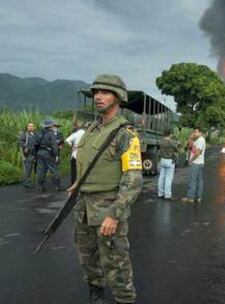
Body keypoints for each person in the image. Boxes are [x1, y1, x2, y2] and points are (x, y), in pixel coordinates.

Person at [67, 74, 143, 304]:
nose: (98, 97)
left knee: (116, 263)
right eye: (96, 92)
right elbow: (88, 162)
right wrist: (78, 184)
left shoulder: (125, 134)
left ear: (118, 97)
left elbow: (133, 180)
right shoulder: (91, 129)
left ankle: (125, 300)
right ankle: (96, 296)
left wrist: (114, 214)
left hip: (108, 209)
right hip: (83, 208)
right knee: (87, 259)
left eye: (105, 92)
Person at [35, 119, 61, 192]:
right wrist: (56, 155)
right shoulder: (51, 134)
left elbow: (35, 143)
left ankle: (40, 186)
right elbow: (54, 145)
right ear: (50, 126)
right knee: (53, 169)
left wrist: (35, 153)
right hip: (48, 153)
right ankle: (56, 186)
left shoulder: (39, 133)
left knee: (41, 170)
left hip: (40, 152)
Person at [181, 127, 206, 203]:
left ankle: (190, 197)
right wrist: (190, 138)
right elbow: (189, 147)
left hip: (196, 163)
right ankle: (198, 197)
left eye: (196, 132)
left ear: (200, 133)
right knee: (199, 180)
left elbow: (197, 153)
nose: (195, 133)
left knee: (193, 180)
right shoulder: (197, 140)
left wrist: (190, 161)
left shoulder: (200, 140)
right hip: (199, 163)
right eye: (194, 132)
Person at [158, 129, 178, 200]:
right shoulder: (171, 142)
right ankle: (167, 195)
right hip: (169, 160)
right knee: (168, 178)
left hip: (162, 159)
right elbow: (176, 149)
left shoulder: (161, 141)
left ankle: (160, 193)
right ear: (170, 134)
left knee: (161, 177)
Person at [18, 122, 37, 187]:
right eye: (29, 126)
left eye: (32, 126)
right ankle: (27, 182)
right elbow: (20, 141)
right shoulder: (24, 134)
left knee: (34, 168)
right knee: (28, 168)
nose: (31, 127)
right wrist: (25, 147)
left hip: (35, 153)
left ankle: (34, 181)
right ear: (27, 127)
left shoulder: (35, 134)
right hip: (28, 153)